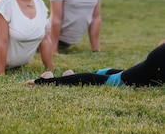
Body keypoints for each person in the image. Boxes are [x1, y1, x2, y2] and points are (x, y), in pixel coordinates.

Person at [28, 41, 165, 87]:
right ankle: (45, 81)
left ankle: (67, 76)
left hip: (151, 68)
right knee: (109, 80)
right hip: (135, 74)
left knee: (114, 75)